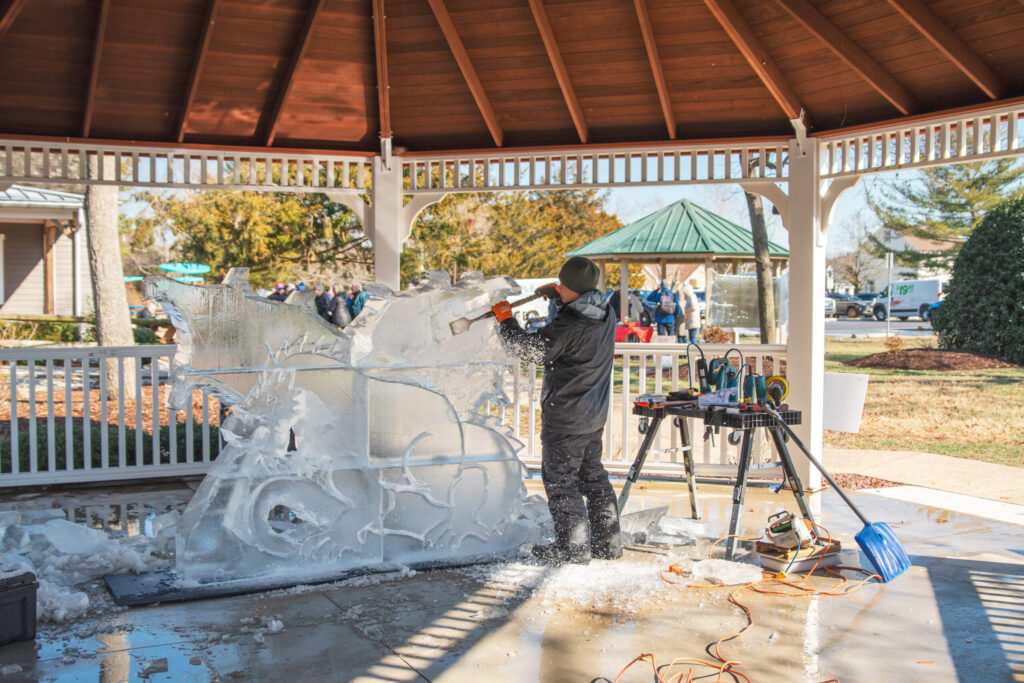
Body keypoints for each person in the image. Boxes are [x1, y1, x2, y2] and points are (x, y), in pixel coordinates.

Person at [492, 256, 622, 565]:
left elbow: (530, 349)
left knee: (561, 479)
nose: (559, 287)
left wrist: (506, 320)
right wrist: (560, 297)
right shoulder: (606, 311)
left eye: (563, 284)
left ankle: (573, 548)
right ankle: (608, 543)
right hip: (594, 412)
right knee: (593, 477)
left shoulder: (572, 323)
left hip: (567, 415)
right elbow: (574, 322)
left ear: (574, 289)